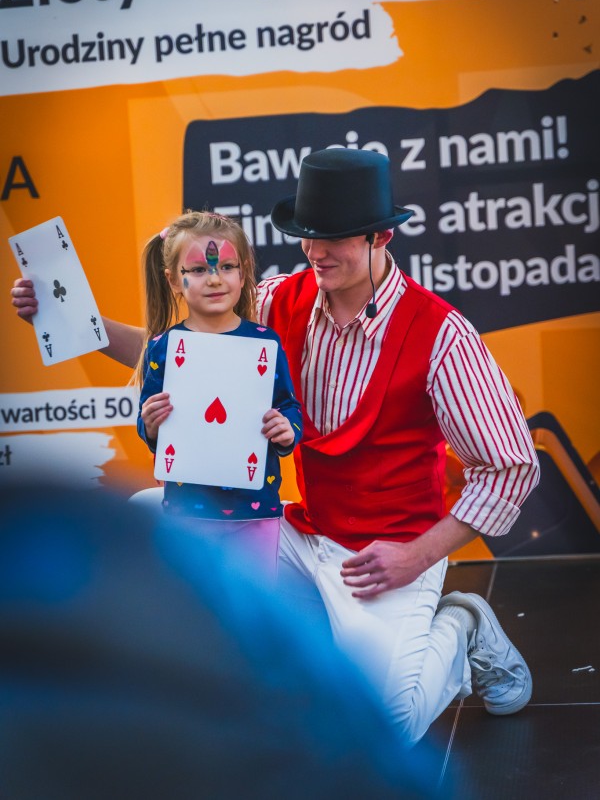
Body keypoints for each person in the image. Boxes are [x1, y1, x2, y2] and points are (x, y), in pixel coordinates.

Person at [10, 147, 540, 746]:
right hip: (299, 533)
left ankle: (464, 625)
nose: (315, 250)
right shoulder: (278, 298)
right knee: (148, 516)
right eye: (308, 234)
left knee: (380, 731)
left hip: (386, 553)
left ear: (381, 237)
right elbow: (182, 357)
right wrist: (75, 321)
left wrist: (417, 556)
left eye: (334, 237)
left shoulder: (442, 334)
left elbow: (510, 467)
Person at [0, 483, 440, 800]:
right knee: (146, 506)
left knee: (391, 722)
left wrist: (418, 555)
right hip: (288, 531)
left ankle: (461, 624)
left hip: (357, 538)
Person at [135, 210, 302, 582]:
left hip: (256, 512)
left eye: (226, 266)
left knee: (253, 609)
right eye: (198, 270)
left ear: (244, 273)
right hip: (187, 514)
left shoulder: (265, 342)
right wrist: (150, 425)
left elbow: (288, 405)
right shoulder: (162, 347)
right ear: (173, 281)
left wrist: (286, 429)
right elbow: (148, 428)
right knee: (196, 608)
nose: (214, 278)